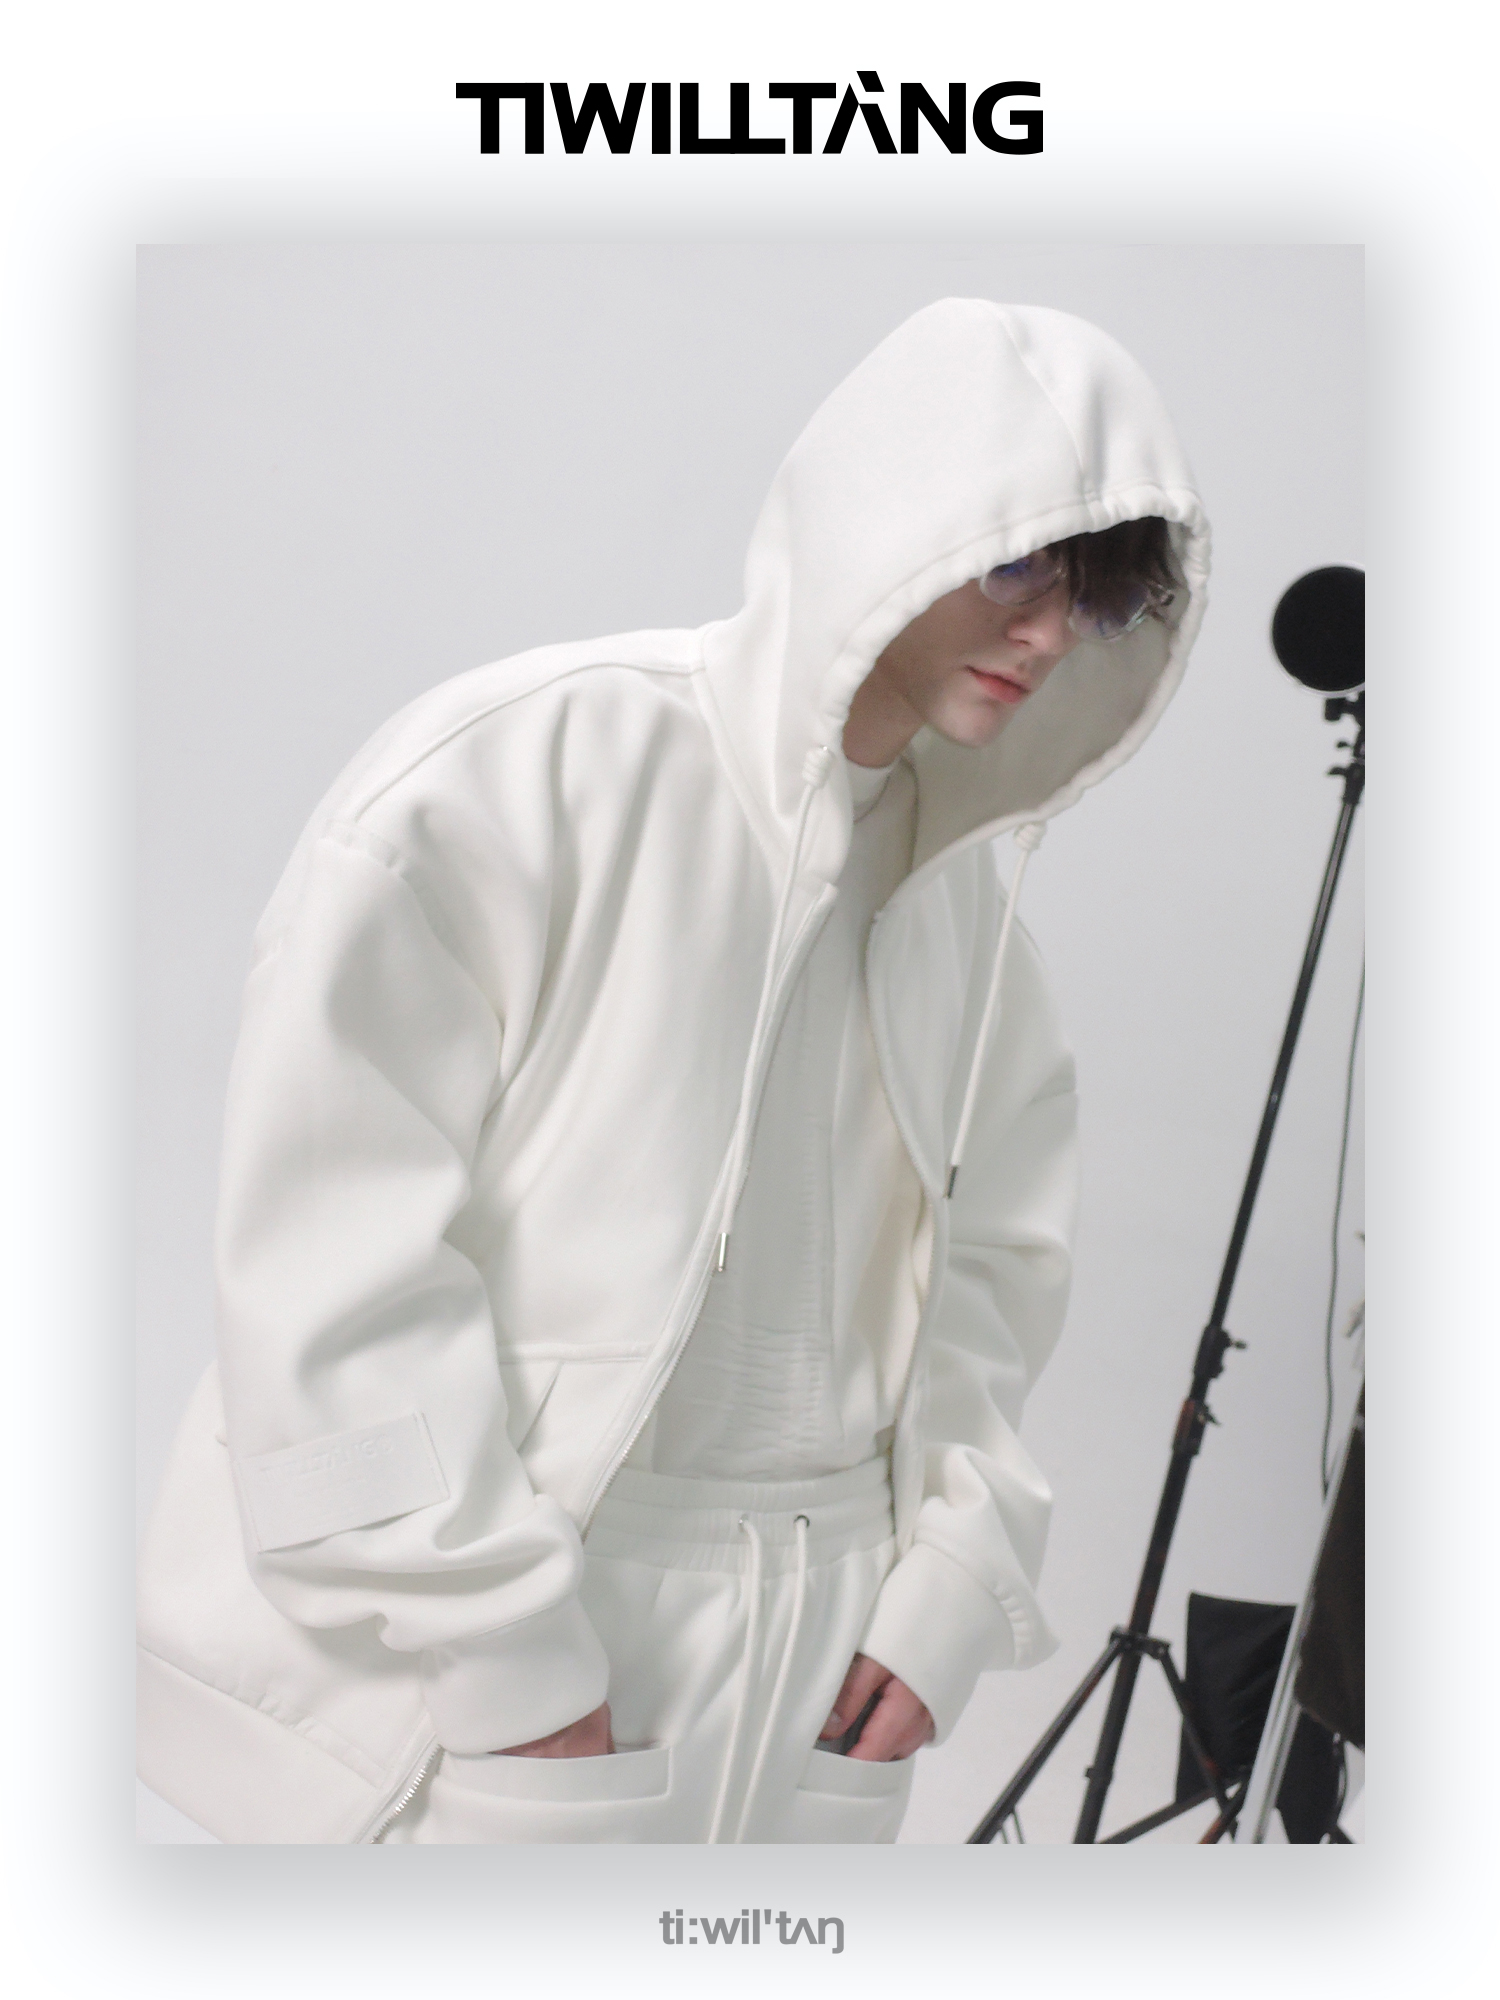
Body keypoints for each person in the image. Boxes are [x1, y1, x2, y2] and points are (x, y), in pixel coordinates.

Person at [136, 297, 1209, 1844]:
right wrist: (504, 1655)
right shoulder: (519, 776)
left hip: (820, 1674)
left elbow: (995, 1285)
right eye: (1013, 566)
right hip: (518, 1645)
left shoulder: (973, 924)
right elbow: (328, 1261)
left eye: (1095, 598)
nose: (1048, 634)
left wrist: (952, 1589)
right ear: (890, 517)